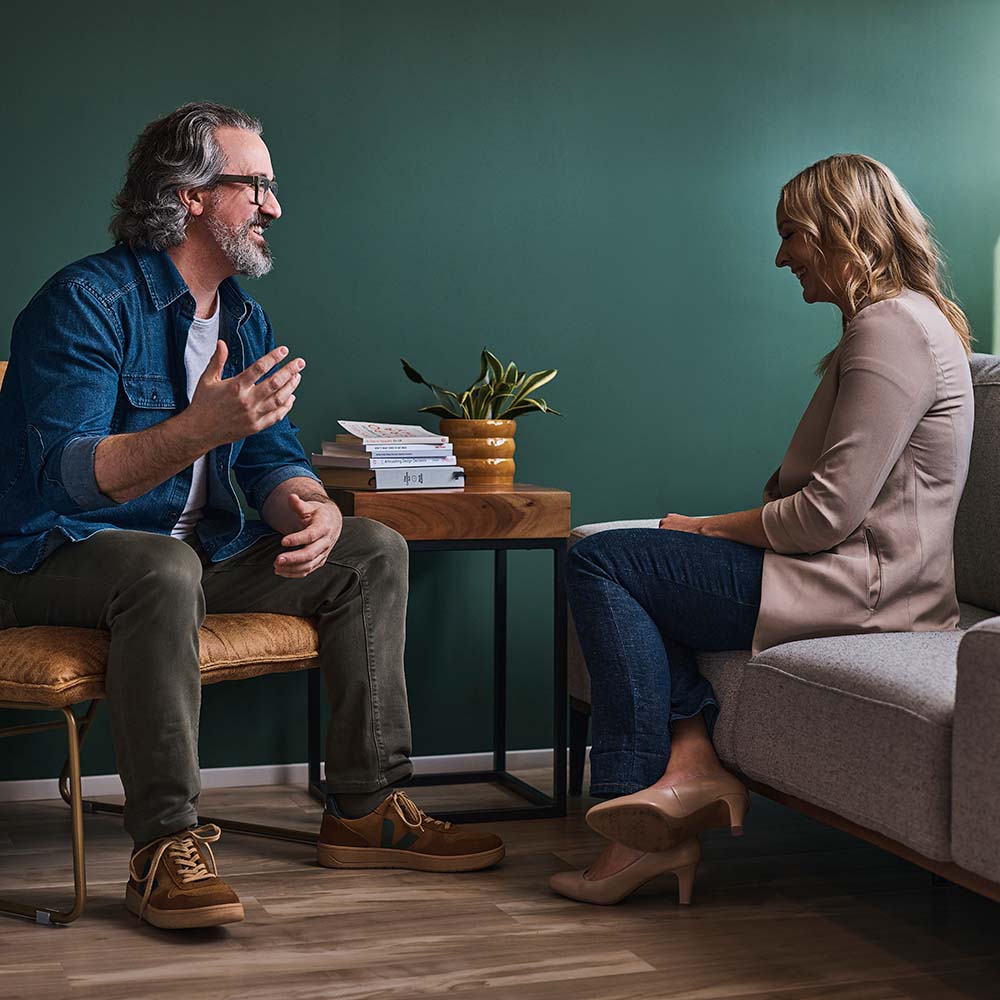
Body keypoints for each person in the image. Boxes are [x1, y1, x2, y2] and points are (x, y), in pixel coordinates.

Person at [0, 102, 503, 931]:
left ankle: (366, 807)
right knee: (161, 566)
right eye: (255, 186)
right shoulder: (85, 302)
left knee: (371, 547)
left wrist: (309, 508)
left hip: (197, 555)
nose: (274, 206)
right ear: (190, 195)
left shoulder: (242, 315)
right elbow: (67, 480)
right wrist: (196, 429)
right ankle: (165, 844)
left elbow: (271, 456)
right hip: (53, 559)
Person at [550, 153, 974, 906]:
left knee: (606, 563)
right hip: (861, 577)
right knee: (641, 574)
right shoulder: (908, 322)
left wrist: (708, 528)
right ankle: (687, 767)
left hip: (859, 588)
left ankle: (639, 817)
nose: (781, 257)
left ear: (841, 230)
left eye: (792, 235)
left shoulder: (891, 330)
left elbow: (823, 517)